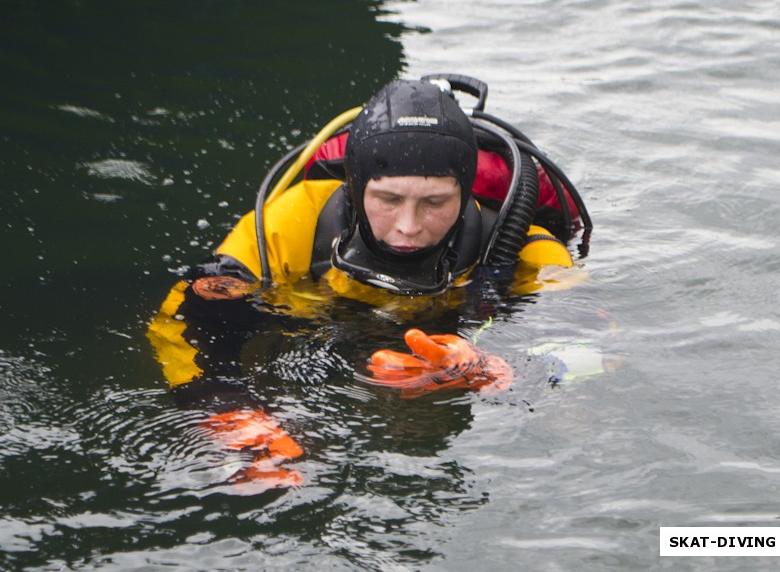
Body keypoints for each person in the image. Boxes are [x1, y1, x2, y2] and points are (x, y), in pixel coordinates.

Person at [147, 74, 591, 491]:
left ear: (467, 191)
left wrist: (500, 367)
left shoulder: (522, 244)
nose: (409, 227)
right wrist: (228, 411)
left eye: (435, 202)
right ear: (354, 186)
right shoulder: (293, 219)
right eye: (388, 199)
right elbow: (187, 317)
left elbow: (583, 347)